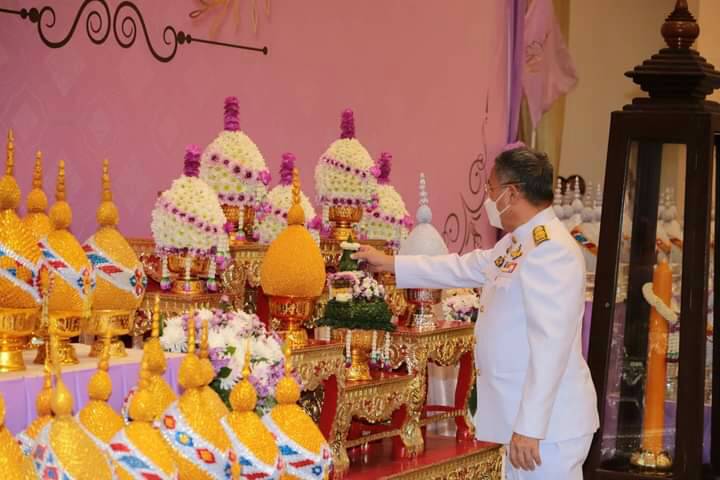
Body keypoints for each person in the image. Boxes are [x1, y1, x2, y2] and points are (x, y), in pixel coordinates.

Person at [353, 146, 599, 479]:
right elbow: (461, 267)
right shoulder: (517, 243)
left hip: (547, 429)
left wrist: (530, 427)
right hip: (519, 419)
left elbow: (550, 346)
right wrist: (389, 263)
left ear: (512, 193)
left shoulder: (550, 250)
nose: (488, 198)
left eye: (491, 189)